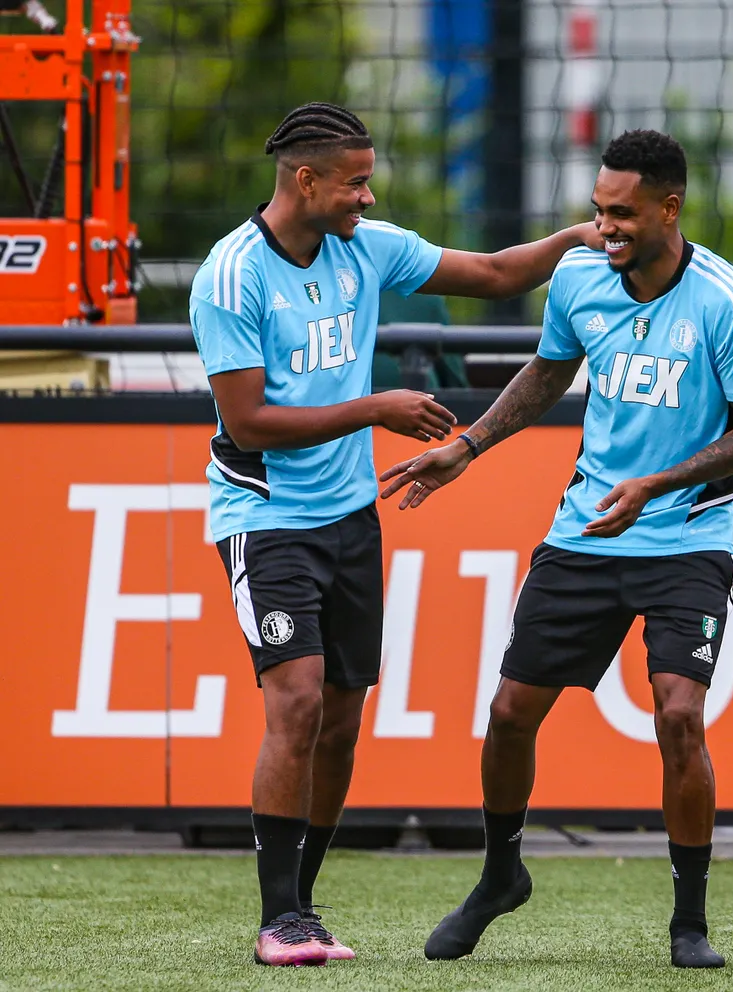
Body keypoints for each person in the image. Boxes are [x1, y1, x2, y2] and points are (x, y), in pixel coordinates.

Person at [188, 101, 601, 967]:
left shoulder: (363, 250)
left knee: (341, 720)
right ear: (306, 180)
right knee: (294, 701)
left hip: (347, 519)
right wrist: (376, 407)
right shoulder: (231, 276)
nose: (368, 199)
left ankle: (302, 903)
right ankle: (278, 919)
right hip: (265, 517)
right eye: (355, 182)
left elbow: (491, 272)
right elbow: (250, 421)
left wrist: (573, 239)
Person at [378, 128, 733, 969]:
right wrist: (470, 444)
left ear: (670, 209)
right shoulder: (578, 277)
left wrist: (656, 485)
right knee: (507, 715)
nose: (606, 229)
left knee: (679, 714)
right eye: (598, 212)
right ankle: (499, 876)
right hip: (587, 535)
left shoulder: (730, 303)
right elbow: (548, 370)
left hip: (687, 538)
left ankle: (689, 922)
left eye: (624, 213)